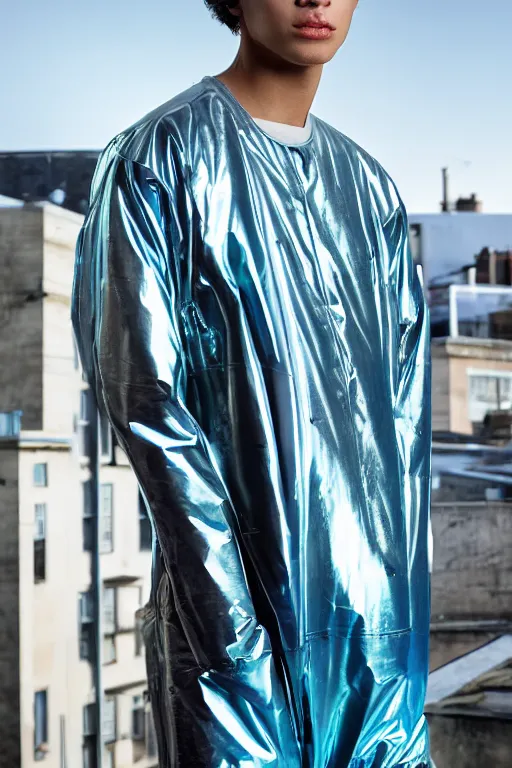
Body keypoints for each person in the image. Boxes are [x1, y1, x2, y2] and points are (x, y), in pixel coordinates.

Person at [71, 1, 433, 766]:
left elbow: (405, 437)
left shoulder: (371, 193)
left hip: (377, 646)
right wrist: (232, 638)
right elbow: (147, 403)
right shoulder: (156, 159)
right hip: (233, 638)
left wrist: (398, 642)